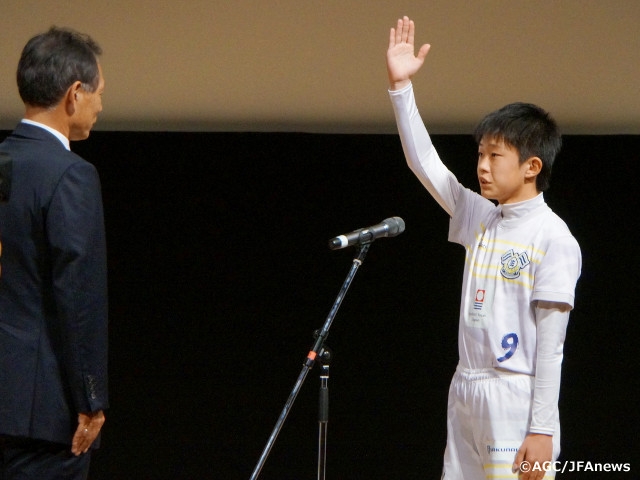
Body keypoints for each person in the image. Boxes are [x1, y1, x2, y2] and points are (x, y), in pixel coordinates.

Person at [386, 17, 581, 480]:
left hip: (515, 398)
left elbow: (552, 347)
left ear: (532, 166)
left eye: (495, 155)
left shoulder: (554, 238)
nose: (482, 166)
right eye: (479, 154)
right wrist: (401, 88)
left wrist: (542, 429)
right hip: (466, 389)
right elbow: (424, 164)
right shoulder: (479, 216)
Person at [0, 26, 108, 480]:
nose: (101, 104)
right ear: (74, 93)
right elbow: (76, 296)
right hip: (42, 416)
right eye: (99, 92)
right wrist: (91, 402)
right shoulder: (69, 175)